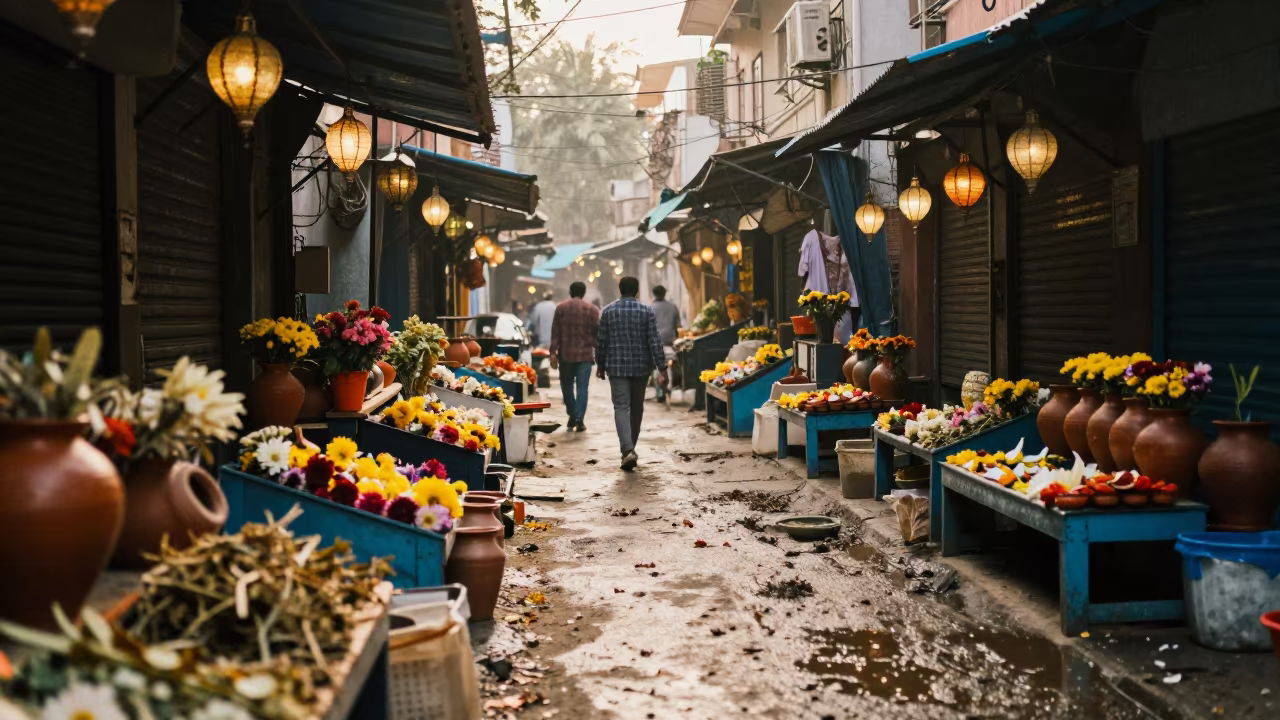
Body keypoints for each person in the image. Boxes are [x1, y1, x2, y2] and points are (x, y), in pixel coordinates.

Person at [596, 276, 666, 470]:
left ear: (620, 290)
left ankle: (628, 450)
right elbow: (654, 340)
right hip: (641, 367)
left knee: (621, 407)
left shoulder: (608, 312)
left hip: (617, 368)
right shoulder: (646, 311)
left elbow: (601, 341)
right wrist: (662, 367)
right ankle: (629, 449)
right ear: (637, 292)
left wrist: (600, 365)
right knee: (636, 408)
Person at [549, 281, 599, 432]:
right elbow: (597, 334)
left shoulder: (561, 308)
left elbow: (555, 333)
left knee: (566, 386)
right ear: (583, 293)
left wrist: (552, 353)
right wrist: (600, 355)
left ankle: (572, 414)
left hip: (566, 355)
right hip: (585, 355)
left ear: (570, 292)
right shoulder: (592, 310)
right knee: (583, 388)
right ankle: (579, 418)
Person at [649, 285, 682, 402]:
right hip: (670, 342)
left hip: (654, 342)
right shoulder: (673, 307)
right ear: (664, 294)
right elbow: (678, 326)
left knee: (656, 368)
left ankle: (660, 392)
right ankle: (669, 388)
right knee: (670, 366)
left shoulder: (650, 308)